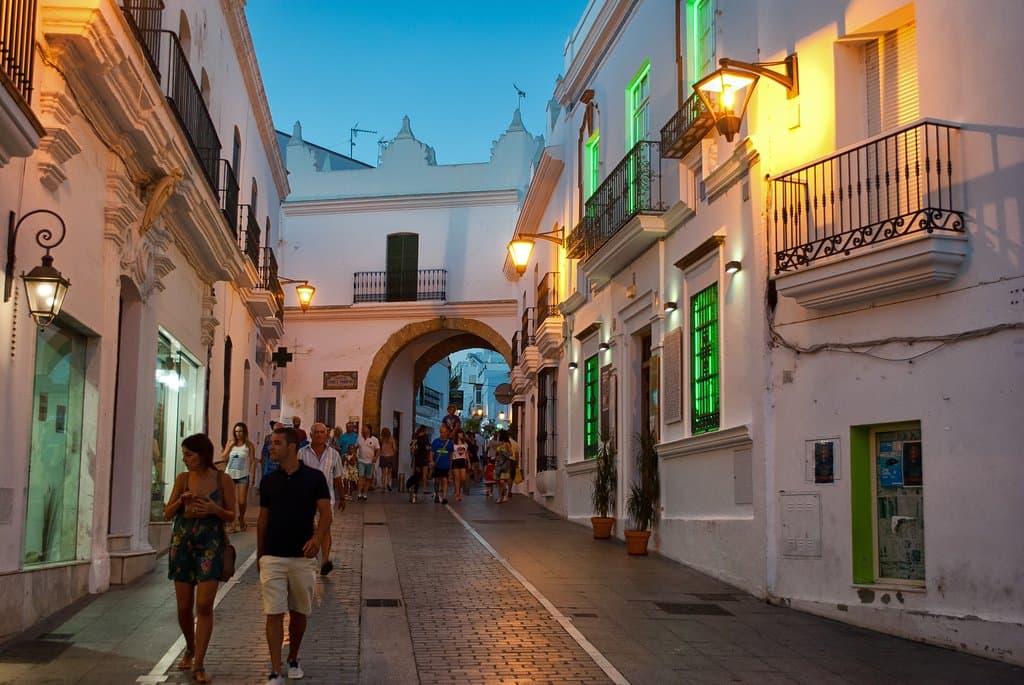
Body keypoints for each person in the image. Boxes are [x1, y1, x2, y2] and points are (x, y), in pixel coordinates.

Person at [259, 427, 331, 685]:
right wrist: (261, 555)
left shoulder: (314, 478)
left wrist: (317, 539)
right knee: (273, 612)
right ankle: (276, 669)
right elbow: (262, 520)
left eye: (277, 443)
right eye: (272, 443)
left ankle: (293, 657)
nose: (271, 448)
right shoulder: (268, 481)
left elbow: (326, 513)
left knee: (299, 612)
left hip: (301, 556)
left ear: (292, 447)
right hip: (273, 556)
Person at [164, 433, 237, 684]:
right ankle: (190, 645)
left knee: (204, 605)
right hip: (182, 545)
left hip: (211, 545)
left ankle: (199, 663)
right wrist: (181, 502)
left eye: (189, 455)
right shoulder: (183, 479)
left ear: (203, 455)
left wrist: (214, 510)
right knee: (184, 608)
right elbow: (166, 513)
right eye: (184, 455)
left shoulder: (222, 479)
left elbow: (232, 516)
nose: (185, 460)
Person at [299, 422, 345, 575]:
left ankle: (325, 560)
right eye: (316, 432)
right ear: (311, 435)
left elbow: (338, 477)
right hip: (305, 498)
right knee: (308, 529)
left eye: (322, 432)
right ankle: (309, 557)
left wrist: (342, 497)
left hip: (327, 498)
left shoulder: (334, 455)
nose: (319, 435)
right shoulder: (302, 453)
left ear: (326, 435)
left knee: (325, 529)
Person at [220, 422, 256, 533]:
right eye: (236, 431)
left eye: (240, 431)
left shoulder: (249, 445)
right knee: (231, 501)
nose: (238, 434)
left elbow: (252, 461)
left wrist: (253, 475)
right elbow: (223, 458)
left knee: (241, 501)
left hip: (243, 475)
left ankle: (241, 518)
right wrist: (229, 447)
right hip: (230, 474)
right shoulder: (230, 443)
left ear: (244, 432)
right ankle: (232, 523)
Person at [355, 423, 380, 501]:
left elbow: (378, 449)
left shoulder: (374, 439)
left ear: (369, 429)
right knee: (360, 477)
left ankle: (365, 494)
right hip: (361, 461)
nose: (362, 429)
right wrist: (354, 455)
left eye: (364, 428)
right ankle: (359, 494)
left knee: (368, 478)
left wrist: (376, 457)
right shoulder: (359, 438)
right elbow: (355, 447)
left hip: (370, 462)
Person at [407, 425, 431, 503]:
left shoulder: (416, 436)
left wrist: (414, 450)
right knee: (424, 474)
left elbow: (412, 446)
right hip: (423, 457)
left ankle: (413, 486)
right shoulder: (425, 437)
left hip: (418, 457)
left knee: (417, 474)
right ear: (424, 430)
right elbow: (428, 447)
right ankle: (424, 488)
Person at [430, 426, 453, 504]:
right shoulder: (435, 442)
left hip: (446, 464)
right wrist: (431, 461)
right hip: (437, 464)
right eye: (441, 432)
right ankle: (436, 494)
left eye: (444, 432)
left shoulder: (449, 443)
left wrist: (450, 466)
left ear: (447, 432)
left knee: (445, 480)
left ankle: (444, 497)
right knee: (436, 481)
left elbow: (451, 455)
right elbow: (432, 453)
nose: (442, 434)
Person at [450, 428, 470, 502]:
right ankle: (458, 493)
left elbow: (466, 453)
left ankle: (458, 489)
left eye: (462, 433)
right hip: (455, 461)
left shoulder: (465, 443)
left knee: (463, 478)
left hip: (462, 461)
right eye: (459, 433)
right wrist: (450, 462)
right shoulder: (453, 443)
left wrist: (469, 462)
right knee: (457, 478)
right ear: (457, 434)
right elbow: (451, 453)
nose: (461, 435)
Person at [494, 429, 513, 503]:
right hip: (498, 464)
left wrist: (504, 452)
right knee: (498, 481)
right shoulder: (499, 444)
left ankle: (505, 494)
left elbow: (511, 453)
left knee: (502, 481)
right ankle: (500, 496)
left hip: (505, 464)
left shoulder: (507, 444)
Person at [378, 427, 397, 492]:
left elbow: (380, 448)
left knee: (383, 473)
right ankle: (388, 483)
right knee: (389, 472)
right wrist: (393, 453)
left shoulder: (381, 439)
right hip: (390, 456)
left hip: (383, 456)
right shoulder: (392, 439)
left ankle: (383, 486)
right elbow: (394, 448)